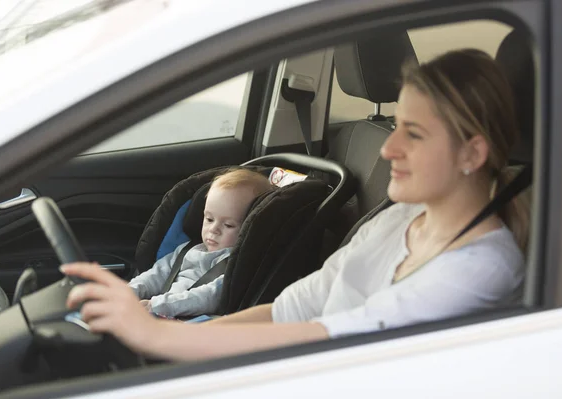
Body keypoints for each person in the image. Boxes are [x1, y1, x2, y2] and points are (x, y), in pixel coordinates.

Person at [62, 49, 531, 362]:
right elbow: (296, 307)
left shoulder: (481, 267)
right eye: (397, 128)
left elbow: (349, 337)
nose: (389, 151)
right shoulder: (399, 220)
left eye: (415, 134)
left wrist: (162, 337)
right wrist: (169, 327)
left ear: (472, 153)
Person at [129, 168, 273, 317]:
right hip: (162, 311)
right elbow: (155, 275)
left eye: (228, 225)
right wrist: (131, 291)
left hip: (194, 324)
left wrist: (158, 305)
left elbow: (210, 297)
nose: (214, 229)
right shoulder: (187, 249)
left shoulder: (236, 265)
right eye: (209, 219)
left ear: (250, 227)